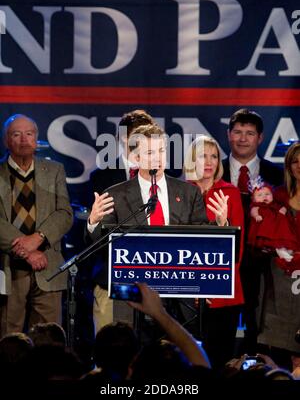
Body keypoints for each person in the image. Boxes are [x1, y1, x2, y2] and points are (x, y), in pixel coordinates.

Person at [87, 124, 229, 335]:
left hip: (178, 299)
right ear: (135, 158)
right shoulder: (116, 194)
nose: (158, 158)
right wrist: (93, 222)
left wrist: (220, 224)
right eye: (150, 152)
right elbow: (100, 246)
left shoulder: (189, 192)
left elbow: (202, 240)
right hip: (131, 295)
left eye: (162, 151)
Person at [0, 114, 73, 337]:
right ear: (6, 140)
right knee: (8, 339)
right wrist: (28, 252)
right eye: (16, 134)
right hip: (8, 269)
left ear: (37, 138)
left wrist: (38, 238)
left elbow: (65, 213)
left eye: (29, 134)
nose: (24, 139)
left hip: (48, 268)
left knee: (48, 341)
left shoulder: (54, 171)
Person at [222, 108, 284, 354]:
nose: (243, 138)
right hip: (223, 261)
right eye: (237, 132)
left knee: (258, 327)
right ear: (228, 135)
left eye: (249, 133)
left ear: (260, 138)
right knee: (222, 329)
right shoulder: (212, 170)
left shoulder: (277, 175)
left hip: (263, 264)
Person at [89, 109, 155, 335]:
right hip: (111, 279)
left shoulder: (164, 175)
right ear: (123, 139)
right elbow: (94, 235)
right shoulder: (102, 177)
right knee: (110, 349)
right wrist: (92, 222)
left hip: (156, 282)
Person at [183, 134, 244, 369]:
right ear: (191, 160)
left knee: (219, 362)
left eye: (214, 156)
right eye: (202, 156)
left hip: (222, 294)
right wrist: (194, 286)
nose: (209, 162)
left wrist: (223, 222)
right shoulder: (180, 192)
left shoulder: (230, 193)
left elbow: (236, 249)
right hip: (187, 293)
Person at [257, 142, 300, 370]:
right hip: (280, 286)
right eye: (295, 161)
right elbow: (263, 238)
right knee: (284, 358)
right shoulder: (277, 197)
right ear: (288, 166)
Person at [247, 180, 297, 256]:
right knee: (268, 236)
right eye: (259, 195)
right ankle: (275, 249)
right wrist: (256, 215)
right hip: (265, 228)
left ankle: (286, 247)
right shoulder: (257, 206)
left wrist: (283, 209)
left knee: (284, 227)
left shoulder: (275, 205)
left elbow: (283, 208)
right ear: (253, 199)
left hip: (276, 226)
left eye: (267, 194)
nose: (264, 196)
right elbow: (253, 211)